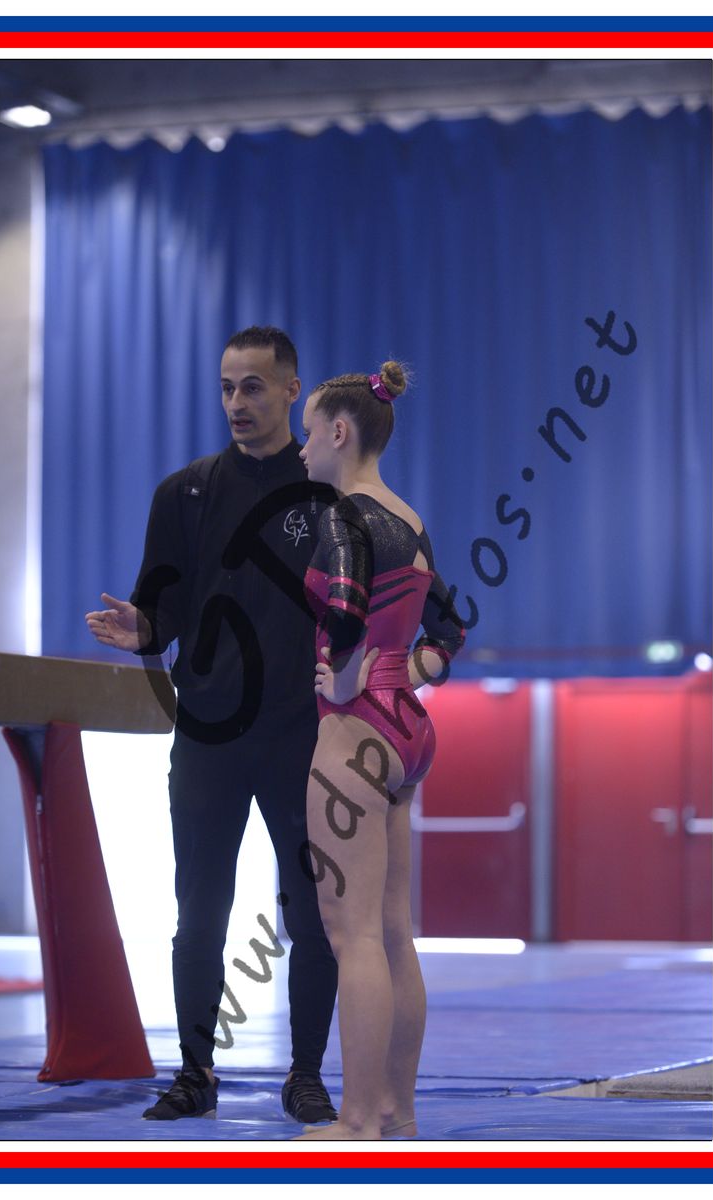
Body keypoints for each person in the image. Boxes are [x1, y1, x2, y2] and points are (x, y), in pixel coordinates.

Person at [86, 327, 339, 1124]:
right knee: (199, 914)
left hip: (300, 736)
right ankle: (194, 1073)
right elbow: (161, 606)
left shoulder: (327, 498)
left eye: (253, 386)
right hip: (208, 737)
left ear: (291, 390)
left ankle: (306, 1074)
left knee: (310, 913)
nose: (237, 401)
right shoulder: (184, 494)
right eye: (227, 386)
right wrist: (143, 628)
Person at [295, 361, 466, 1140]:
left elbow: (346, 610)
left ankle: (359, 1117)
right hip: (407, 728)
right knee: (393, 931)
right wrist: (404, 674)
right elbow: (450, 630)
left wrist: (340, 680)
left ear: (339, 432)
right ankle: (398, 1108)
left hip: (355, 730)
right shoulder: (412, 520)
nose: (302, 450)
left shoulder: (345, 517)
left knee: (352, 934)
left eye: (307, 435)